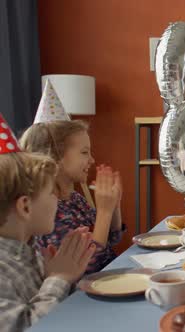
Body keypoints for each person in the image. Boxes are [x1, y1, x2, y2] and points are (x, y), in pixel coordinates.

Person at [0, 115, 95, 331]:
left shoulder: (30, 252)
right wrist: (59, 278)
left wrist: (53, 278)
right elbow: (29, 326)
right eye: (51, 192)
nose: (57, 198)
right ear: (25, 207)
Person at [19, 120, 123, 274]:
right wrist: (104, 211)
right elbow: (88, 266)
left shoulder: (75, 199)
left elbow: (111, 238)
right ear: (55, 157)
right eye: (84, 152)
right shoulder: (47, 214)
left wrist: (114, 205)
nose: (92, 160)